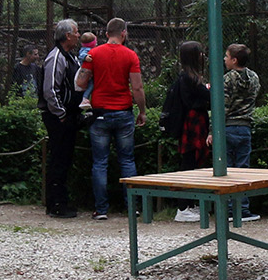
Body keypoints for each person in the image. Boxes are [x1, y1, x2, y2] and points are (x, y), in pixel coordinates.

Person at [75, 18, 146, 221]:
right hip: (123, 111)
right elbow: (138, 87)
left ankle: (101, 209)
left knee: (100, 162)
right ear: (124, 33)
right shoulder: (131, 55)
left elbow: (81, 81)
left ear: (106, 34)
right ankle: (132, 206)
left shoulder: (93, 54)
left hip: (99, 112)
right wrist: (142, 111)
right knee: (127, 160)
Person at [162, 41, 212, 223]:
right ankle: (183, 207)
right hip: (193, 122)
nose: (202, 56)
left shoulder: (188, 77)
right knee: (189, 161)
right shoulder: (190, 79)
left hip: (193, 121)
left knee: (193, 160)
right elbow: (207, 96)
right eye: (199, 53)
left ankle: (189, 204)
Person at [37, 19, 81, 219]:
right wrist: (61, 115)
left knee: (65, 159)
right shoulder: (56, 58)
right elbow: (50, 90)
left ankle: (60, 201)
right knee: (59, 159)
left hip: (68, 115)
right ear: (67, 36)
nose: (79, 35)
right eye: (76, 32)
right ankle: (56, 204)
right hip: (58, 118)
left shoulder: (71, 57)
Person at [221, 43, 262, 223]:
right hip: (245, 127)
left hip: (228, 127)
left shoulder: (228, 79)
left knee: (227, 169)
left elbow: (223, 106)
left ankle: (229, 209)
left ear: (234, 60)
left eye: (227, 56)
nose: (224, 59)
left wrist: (212, 130)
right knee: (243, 168)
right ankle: (243, 208)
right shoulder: (254, 77)